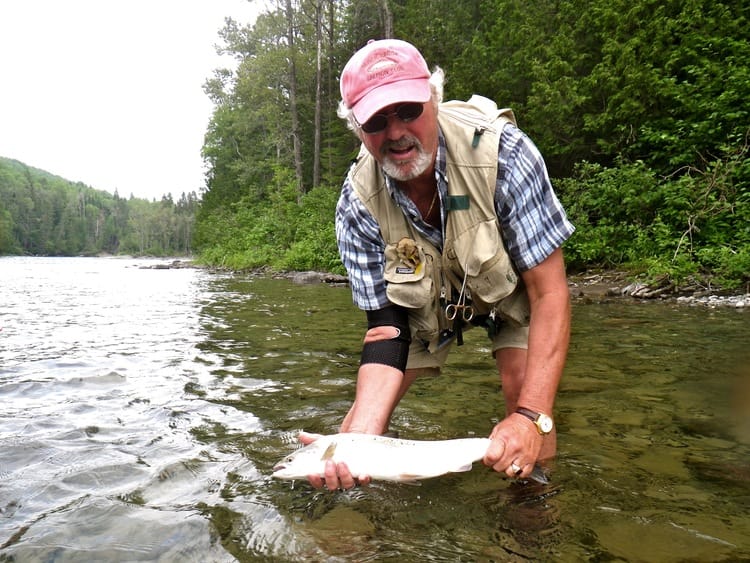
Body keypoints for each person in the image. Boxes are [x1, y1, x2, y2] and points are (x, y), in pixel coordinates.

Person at [304, 39, 574, 491]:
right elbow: (386, 331)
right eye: (375, 120)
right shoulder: (356, 203)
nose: (395, 133)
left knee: (527, 399)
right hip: (421, 315)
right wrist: (352, 445)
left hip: (510, 296)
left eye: (408, 110)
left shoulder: (503, 154)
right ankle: (352, 532)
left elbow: (550, 292)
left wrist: (530, 417)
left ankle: (534, 511)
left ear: (434, 98)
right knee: (355, 433)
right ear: (357, 128)